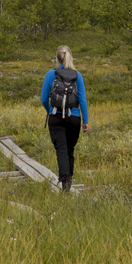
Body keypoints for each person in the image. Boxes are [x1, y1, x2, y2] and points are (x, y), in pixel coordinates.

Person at [40, 45, 88, 192]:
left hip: (56, 117)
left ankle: (65, 185)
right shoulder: (77, 75)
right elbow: (83, 100)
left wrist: (51, 111)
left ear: (57, 58)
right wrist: (85, 121)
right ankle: (69, 181)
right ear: (70, 57)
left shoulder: (51, 74)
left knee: (61, 150)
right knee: (69, 150)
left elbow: (43, 98)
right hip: (74, 118)